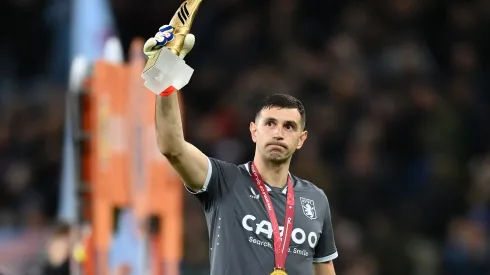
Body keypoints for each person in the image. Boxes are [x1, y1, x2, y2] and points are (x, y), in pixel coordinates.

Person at [143, 25, 338, 275]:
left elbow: (324, 268)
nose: (278, 133)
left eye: (289, 127)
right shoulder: (225, 181)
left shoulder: (316, 200)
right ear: (254, 131)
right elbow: (172, 146)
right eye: (270, 124)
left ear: (301, 139)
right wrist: (165, 74)